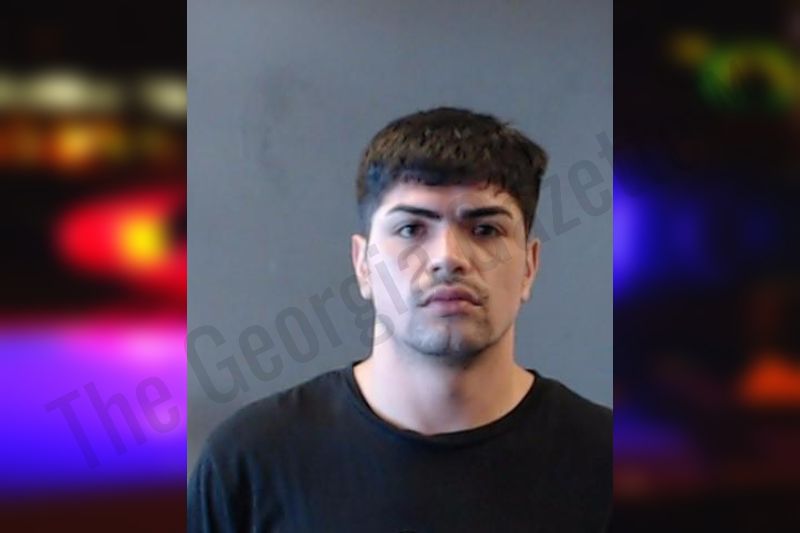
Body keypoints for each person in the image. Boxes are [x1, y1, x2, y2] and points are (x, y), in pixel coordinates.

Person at [188, 107, 612, 532]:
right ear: (363, 265)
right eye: (411, 229)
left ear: (529, 267)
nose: (448, 258)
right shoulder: (251, 462)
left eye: (485, 230)